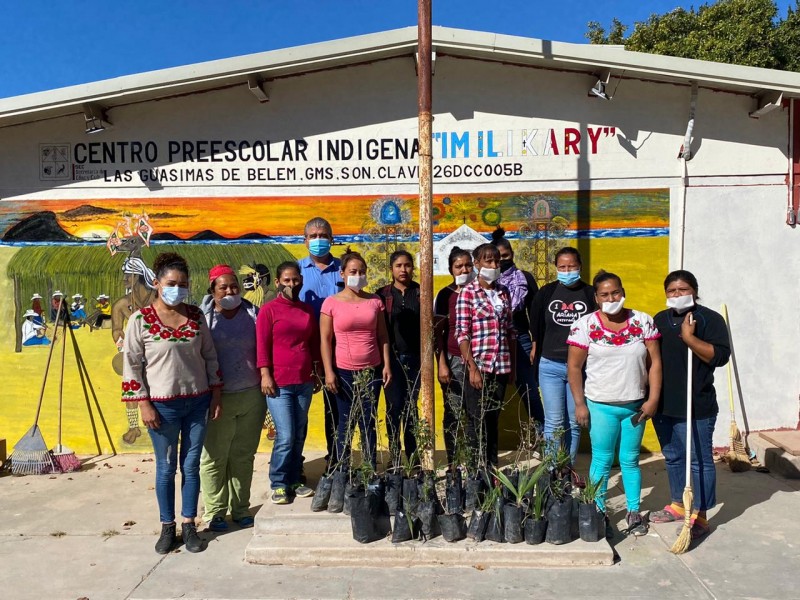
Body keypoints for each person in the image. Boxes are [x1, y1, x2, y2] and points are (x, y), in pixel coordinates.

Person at [121, 252, 222, 555]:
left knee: (191, 467)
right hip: (161, 407)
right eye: (171, 283)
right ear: (157, 283)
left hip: (197, 402)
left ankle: (189, 524)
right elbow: (132, 364)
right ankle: (167, 527)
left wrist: (216, 394)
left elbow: (210, 356)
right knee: (166, 468)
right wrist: (143, 404)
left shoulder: (196, 316)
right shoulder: (140, 320)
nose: (177, 288)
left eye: (183, 283)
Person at [566, 271, 661, 536]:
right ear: (596, 298)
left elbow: (654, 364)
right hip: (600, 405)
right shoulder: (584, 326)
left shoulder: (643, 321)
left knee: (630, 461)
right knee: (602, 460)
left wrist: (652, 399)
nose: (611, 298)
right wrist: (579, 404)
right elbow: (574, 367)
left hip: (635, 406)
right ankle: (598, 512)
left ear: (623, 291)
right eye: (605, 295)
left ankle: (633, 512)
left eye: (615, 292)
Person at [650, 270, 730, 541]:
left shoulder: (709, 319)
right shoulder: (659, 320)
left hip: (696, 404)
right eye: (671, 291)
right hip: (663, 403)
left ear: (694, 291)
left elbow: (720, 357)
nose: (677, 295)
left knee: (699, 461)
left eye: (683, 290)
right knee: (673, 457)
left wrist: (690, 338)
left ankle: (702, 514)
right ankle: (677, 503)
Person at [199, 265, 266, 530]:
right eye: (224, 287)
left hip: (251, 395)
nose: (230, 291)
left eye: (234, 286)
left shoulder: (253, 315)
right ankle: (215, 512)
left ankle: (240, 508)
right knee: (215, 457)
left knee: (243, 455)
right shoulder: (203, 319)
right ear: (213, 290)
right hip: (218, 397)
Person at [320, 248, 391, 471]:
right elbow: (325, 340)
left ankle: (369, 468)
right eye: (353, 271)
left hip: (371, 370)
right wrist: (329, 371)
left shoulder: (375, 301)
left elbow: (382, 336)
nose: (358, 275)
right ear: (342, 273)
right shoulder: (331, 303)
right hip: (343, 372)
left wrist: (387, 365)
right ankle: (342, 469)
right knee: (345, 423)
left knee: (367, 422)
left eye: (362, 271)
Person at [257, 261, 321, 505]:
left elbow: (313, 343)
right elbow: (262, 345)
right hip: (278, 384)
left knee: (299, 433)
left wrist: (316, 372)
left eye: (295, 280)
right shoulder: (269, 311)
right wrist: (265, 374)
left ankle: (295, 479)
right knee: (285, 434)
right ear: (277, 282)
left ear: (301, 281)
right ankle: (279, 483)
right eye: (286, 281)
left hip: (303, 380)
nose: (292, 285)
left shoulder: (306, 310)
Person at [530, 247, 596, 464]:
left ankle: (568, 470)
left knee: (574, 422)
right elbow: (536, 326)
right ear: (556, 268)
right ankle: (550, 473)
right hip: (550, 365)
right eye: (562, 267)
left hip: (580, 368)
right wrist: (535, 350)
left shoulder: (590, 294)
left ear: (580, 267)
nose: (567, 271)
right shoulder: (546, 293)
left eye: (572, 266)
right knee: (553, 422)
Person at [455, 243, 515, 470]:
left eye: (497, 261)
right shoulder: (468, 293)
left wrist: (513, 369)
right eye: (488, 261)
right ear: (477, 264)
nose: (494, 265)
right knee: (475, 418)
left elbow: (509, 329)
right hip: (479, 366)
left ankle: (490, 465)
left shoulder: (503, 292)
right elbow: (462, 333)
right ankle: (474, 466)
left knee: (493, 417)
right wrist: (472, 368)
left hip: (500, 366)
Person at [298, 217, 342, 470]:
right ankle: (295, 465)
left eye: (323, 235)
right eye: (313, 236)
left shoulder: (344, 269)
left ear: (332, 239)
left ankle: (335, 459)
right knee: (298, 410)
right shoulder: (297, 271)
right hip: (304, 350)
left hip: (337, 349)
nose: (318, 240)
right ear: (304, 241)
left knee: (333, 408)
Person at [491, 228, 542, 424]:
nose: (503, 261)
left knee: (529, 391)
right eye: (498, 257)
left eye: (506, 256)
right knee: (493, 393)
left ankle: (542, 436)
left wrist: (536, 342)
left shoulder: (525, 278)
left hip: (521, 339)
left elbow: (535, 313)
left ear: (512, 254)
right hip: (494, 340)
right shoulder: (486, 282)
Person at [377, 250, 420, 468]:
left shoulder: (421, 292)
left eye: (408, 265)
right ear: (392, 269)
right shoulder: (382, 295)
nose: (403, 270)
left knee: (412, 408)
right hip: (391, 360)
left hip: (416, 360)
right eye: (399, 265)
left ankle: (414, 458)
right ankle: (395, 458)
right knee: (394, 408)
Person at [434, 246, 474, 467]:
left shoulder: (481, 292)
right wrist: (442, 363)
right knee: (454, 410)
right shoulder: (445, 295)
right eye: (459, 266)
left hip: (479, 360)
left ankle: (472, 460)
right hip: (454, 358)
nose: (464, 269)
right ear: (451, 269)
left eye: (468, 265)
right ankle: (454, 461)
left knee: (475, 411)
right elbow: (437, 333)